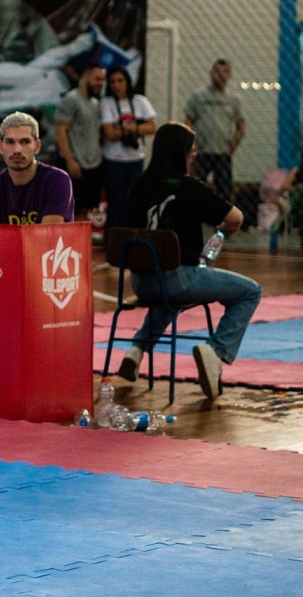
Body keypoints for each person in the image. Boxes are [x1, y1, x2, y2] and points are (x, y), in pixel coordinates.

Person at [117, 122, 262, 400]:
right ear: (183, 153)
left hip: (141, 281)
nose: (194, 156)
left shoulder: (140, 186)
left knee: (169, 296)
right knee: (250, 291)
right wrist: (223, 227)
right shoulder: (189, 187)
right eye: (192, 152)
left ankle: (136, 350)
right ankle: (215, 350)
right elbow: (236, 218)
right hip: (178, 277)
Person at [0, 111, 74, 225]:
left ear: (37, 146)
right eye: (10, 142)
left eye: (25, 142)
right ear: (0, 147)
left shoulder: (56, 181)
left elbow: (49, 236)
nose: (17, 149)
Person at [99, 65, 157, 230]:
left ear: (127, 82)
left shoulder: (139, 101)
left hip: (135, 158)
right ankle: (112, 240)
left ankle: (131, 238)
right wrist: (138, 127)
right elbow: (109, 133)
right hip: (114, 159)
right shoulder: (107, 102)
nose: (116, 85)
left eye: (120, 81)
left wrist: (125, 129)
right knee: (116, 202)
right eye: (112, 82)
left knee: (134, 202)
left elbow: (152, 127)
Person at [185, 59, 245, 202]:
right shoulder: (198, 97)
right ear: (211, 73)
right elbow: (188, 122)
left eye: (225, 72)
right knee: (197, 189)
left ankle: (222, 221)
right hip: (202, 152)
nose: (221, 75)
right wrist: (193, 146)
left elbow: (241, 127)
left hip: (223, 153)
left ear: (229, 75)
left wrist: (231, 149)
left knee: (224, 192)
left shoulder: (234, 100)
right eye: (217, 71)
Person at [54, 63, 105, 222]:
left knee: (86, 209)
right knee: (71, 211)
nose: (100, 83)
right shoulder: (71, 100)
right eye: (97, 79)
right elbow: (60, 130)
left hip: (93, 165)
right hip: (76, 165)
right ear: (85, 76)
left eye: (102, 80)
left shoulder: (96, 103)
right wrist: (70, 161)